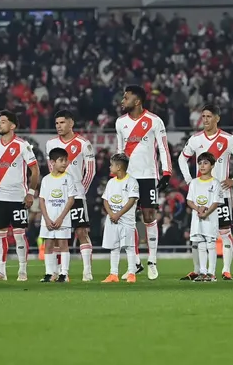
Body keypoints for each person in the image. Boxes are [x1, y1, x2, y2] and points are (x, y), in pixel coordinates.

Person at [177, 104, 233, 281]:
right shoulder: (195, 139)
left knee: (224, 231)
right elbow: (181, 158)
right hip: (200, 195)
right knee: (198, 234)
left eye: (209, 116)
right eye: (203, 116)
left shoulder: (227, 139)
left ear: (217, 118)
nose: (206, 120)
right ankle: (199, 270)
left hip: (221, 194)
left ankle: (225, 269)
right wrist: (188, 180)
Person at [115, 84, 172, 280]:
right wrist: (116, 174)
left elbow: (164, 149)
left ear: (137, 101)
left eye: (126, 97)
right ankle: (135, 263)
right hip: (128, 177)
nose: (123, 101)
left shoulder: (155, 121)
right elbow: (120, 151)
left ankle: (152, 261)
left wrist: (167, 173)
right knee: (129, 220)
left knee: (149, 216)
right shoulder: (120, 122)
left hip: (148, 176)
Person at [0, 111, 39, 282]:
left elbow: (35, 170)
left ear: (12, 126)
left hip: (18, 198)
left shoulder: (23, 145)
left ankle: (22, 270)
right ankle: (1, 271)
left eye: (3, 122)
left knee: (19, 235)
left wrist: (30, 193)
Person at [45, 110, 97, 281]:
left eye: (62, 122)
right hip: (57, 198)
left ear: (71, 123)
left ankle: (87, 271)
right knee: (58, 234)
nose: (59, 126)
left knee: (81, 231)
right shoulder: (50, 144)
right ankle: (60, 272)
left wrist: (80, 191)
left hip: (77, 196)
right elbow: (50, 170)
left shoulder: (83, 143)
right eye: (57, 123)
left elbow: (90, 171)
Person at [38, 148, 77, 283]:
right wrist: (47, 219)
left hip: (63, 219)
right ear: (52, 162)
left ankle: (64, 273)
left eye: (66, 160)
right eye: (61, 160)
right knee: (48, 244)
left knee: (63, 244)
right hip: (48, 219)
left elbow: (71, 199)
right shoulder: (46, 180)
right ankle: (50, 273)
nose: (65, 163)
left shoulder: (68, 178)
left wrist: (61, 218)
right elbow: (42, 200)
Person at [101, 153, 139, 284]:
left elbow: (132, 200)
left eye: (111, 165)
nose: (109, 167)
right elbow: (105, 200)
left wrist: (118, 214)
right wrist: (112, 214)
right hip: (112, 219)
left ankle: (131, 273)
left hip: (126, 220)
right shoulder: (111, 182)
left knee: (129, 247)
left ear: (118, 167)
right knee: (114, 247)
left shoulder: (132, 181)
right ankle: (113, 274)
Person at [185, 152, 222, 282]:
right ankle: (203, 272)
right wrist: (197, 209)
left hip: (210, 218)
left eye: (205, 163)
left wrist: (206, 212)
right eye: (200, 163)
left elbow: (216, 202)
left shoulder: (216, 183)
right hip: (197, 218)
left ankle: (212, 273)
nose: (202, 166)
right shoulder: (194, 183)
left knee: (211, 244)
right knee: (200, 244)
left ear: (212, 165)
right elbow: (189, 201)